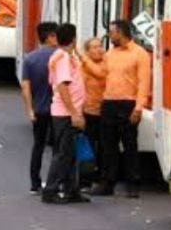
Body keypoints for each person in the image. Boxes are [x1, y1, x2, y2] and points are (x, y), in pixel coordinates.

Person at [90, 20, 151, 199]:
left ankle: (133, 184)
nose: (110, 35)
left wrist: (139, 108)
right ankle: (107, 182)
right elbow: (101, 76)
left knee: (130, 146)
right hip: (109, 103)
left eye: (113, 32)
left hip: (128, 104)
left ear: (122, 33)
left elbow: (144, 83)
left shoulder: (139, 54)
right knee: (107, 146)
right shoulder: (109, 54)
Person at [43, 23, 89, 205]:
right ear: (74, 38)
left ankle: (72, 190)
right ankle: (51, 190)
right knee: (63, 154)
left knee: (70, 154)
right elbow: (62, 86)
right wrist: (74, 113)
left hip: (68, 112)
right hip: (65, 113)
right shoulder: (62, 58)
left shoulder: (67, 56)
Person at [20, 22, 59, 194]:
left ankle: (35, 184)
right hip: (58, 110)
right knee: (59, 149)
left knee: (38, 146)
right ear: (50, 37)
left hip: (39, 110)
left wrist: (30, 109)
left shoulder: (29, 58)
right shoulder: (60, 57)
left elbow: (25, 87)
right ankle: (56, 182)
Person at [78, 37, 107, 183]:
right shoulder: (81, 67)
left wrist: (84, 59)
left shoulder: (105, 64)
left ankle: (101, 176)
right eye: (94, 47)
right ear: (88, 51)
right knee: (88, 146)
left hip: (103, 111)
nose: (99, 49)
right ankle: (85, 177)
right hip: (87, 112)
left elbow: (100, 74)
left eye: (100, 46)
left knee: (104, 146)